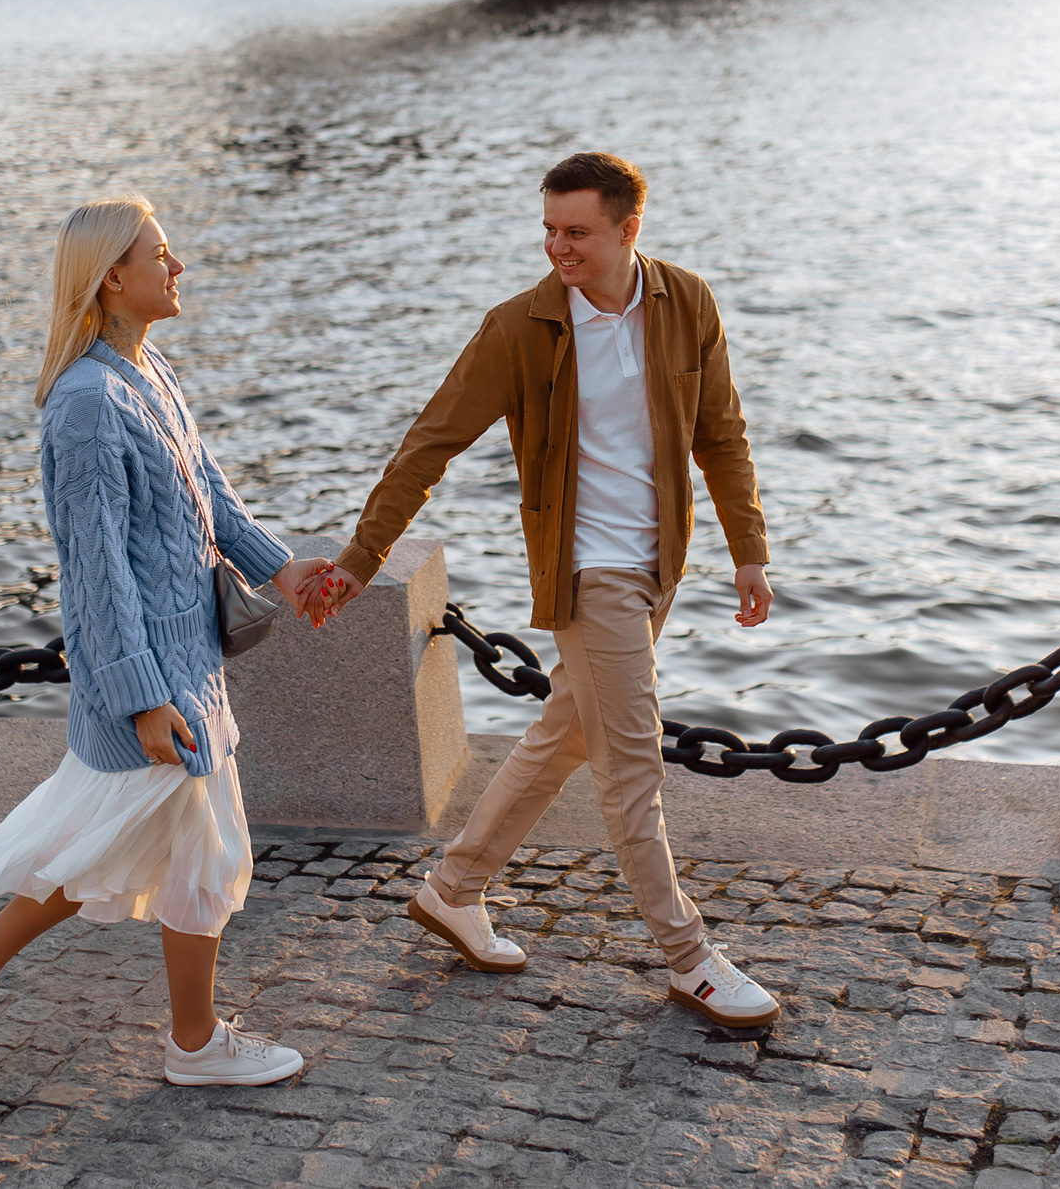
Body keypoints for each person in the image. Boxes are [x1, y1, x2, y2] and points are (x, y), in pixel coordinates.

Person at [318, 152, 782, 1029]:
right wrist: (360, 557)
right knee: (631, 767)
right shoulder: (520, 328)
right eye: (549, 229)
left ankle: (455, 887)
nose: (557, 247)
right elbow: (430, 443)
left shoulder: (686, 302)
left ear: (627, 230)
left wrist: (747, 549)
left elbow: (722, 434)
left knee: (565, 733)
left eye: (577, 232)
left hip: (657, 567)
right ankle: (690, 958)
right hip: (588, 571)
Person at [0, 194, 337, 1087]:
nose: (177, 264)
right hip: (155, 676)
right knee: (188, 847)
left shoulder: (149, 372)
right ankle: (188, 1043)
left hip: (189, 662)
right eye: (161, 252)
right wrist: (141, 696)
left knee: (148, 847)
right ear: (113, 275)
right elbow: (94, 569)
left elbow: (211, 496)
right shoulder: (85, 405)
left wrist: (285, 569)